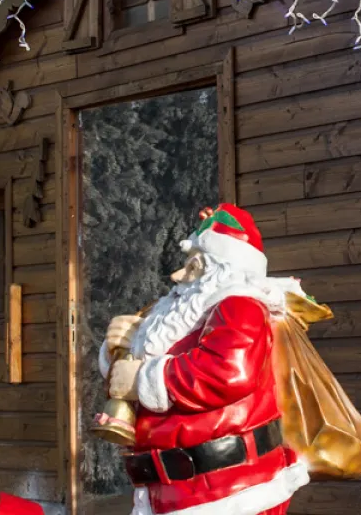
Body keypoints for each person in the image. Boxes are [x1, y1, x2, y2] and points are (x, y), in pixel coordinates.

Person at [100, 203, 309, 515]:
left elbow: (227, 371)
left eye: (193, 267)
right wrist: (119, 349)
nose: (178, 276)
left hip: (227, 491)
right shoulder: (185, 316)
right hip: (173, 491)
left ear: (220, 268)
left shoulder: (240, 306)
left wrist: (142, 378)